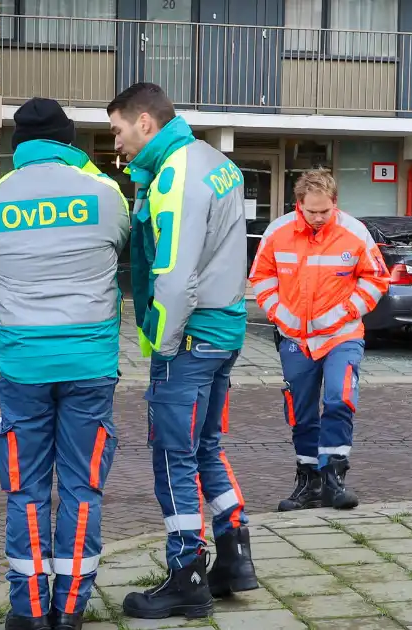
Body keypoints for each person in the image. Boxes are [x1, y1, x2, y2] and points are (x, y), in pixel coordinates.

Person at [0, 97, 130, 630]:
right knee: (83, 488)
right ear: (68, 142)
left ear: (17, 146)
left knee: (27, 490)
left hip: (23, 366)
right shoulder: (107, 195)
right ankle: (71, 609)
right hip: (90, 363)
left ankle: (29, 610)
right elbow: (121, 251)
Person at [105, 82, 257, 620]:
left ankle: (186, 575)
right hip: (226, 330)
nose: (116, 144)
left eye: (119, 130)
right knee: (206, 448)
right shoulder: (217, 162)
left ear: (145, 122)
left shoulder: (176, 175)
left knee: (173, 458)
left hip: (189, 338)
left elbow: (172, 274)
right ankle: (234, 555)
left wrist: (163, 349)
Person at [248, 168, 390, 512]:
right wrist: (281, 315)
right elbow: (261, 277)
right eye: (311, 211)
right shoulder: (278, 232)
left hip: (341, 336)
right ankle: (308, 480)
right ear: (299, 204)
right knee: (301, 412)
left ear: (334, 203)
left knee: (339, 400)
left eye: (324, 212)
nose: (317, 218)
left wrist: (346, 312)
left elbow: (375, 278)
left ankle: (334, 478)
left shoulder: (354, 233)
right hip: (295, 338)